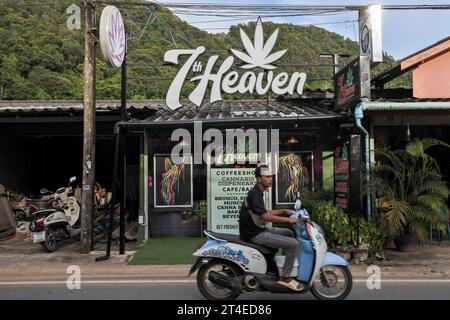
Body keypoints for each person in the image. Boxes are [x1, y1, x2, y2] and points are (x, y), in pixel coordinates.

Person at [239, 164, 303, 292]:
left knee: (288, 233)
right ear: (258, 178)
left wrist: (284, 210)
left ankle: (284, 266)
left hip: (258, 229)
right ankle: (285, 278)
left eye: (271, 177)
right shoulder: (255, 194)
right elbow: (266, 216)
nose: (270, 179)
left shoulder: (257, 192)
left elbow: (264, 212)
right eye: (267, 177)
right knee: (293, 244)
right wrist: (289, 219)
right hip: (254, 233)